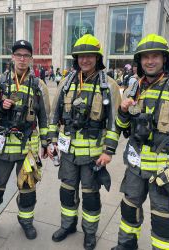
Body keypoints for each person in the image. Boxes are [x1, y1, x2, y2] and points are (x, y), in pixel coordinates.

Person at [112, 34, 169, 250]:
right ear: (139, 61)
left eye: (155, 56)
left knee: (162, 218)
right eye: (145, 57)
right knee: (128, 208)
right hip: (135, 166)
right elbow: (122, 126)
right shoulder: (134, 88)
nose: (150, 61)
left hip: (165, 170)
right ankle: (126, 245)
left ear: (164, 59)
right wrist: (123, 111)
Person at [48, 34, 121, 250]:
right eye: (81, 56)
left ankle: (89, 233)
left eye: (90, 56)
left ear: (97, 58)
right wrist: (52, 141)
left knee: (90, 197)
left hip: (93, 156)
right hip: (68, 154)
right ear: (76, 58)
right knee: (67, 192)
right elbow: (54, 115)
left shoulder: (109, 85)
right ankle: (68, 225)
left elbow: (114, 123)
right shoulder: (67, 81)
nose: (85, 60)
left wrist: (108, 151)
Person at [0, 40, 50, 241]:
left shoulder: (39, 85)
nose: (22, 58)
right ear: (12, 57)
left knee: (28, 189)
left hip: (27, 148)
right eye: (18, 54)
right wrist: (0, 107)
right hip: (1, 149)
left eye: (26, 55)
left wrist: (46, 142)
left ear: (30, 59)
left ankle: (26, 221)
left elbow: (44, 117)